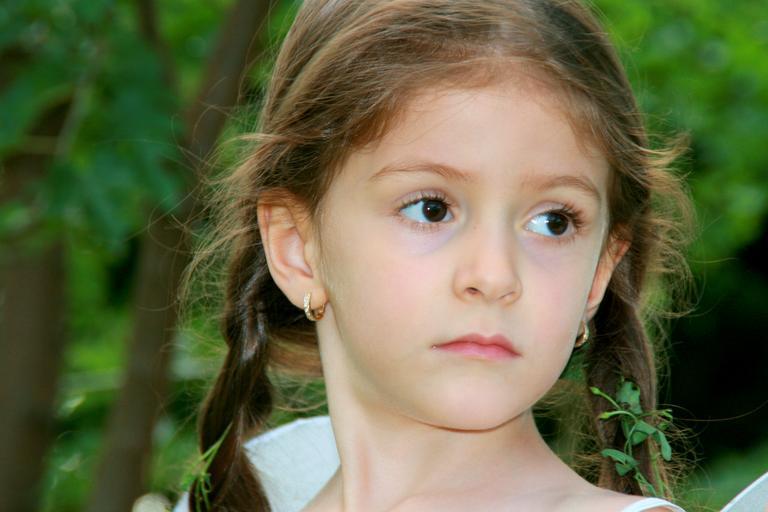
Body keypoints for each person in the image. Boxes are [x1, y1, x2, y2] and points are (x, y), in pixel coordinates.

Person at [179, 0, 696, 510]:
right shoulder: (262, 489)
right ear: (296, 248)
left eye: (553, 222)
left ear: (599, 272)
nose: (494, 275)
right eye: (431, 210)